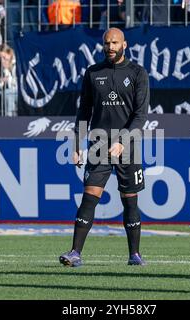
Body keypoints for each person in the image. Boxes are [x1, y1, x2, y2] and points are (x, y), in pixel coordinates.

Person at [59, 27, 150, 267]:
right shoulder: (92, 73)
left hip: (128, 146)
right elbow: (84, 112)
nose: (111, 47)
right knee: (89, 198)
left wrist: (122, 141)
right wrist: (77, 144)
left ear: (125, 45)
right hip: (98, 144)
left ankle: (135, 255)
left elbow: (140, 116)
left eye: (115, 43)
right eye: (107, 43)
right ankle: (75, 253)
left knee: (129, 200)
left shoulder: (138, 73)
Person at [0, 44, 18, 116]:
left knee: (8, 93)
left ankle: (10, 118)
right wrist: (0, 81)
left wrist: (8, 79)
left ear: (9, 55)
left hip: (16, 92)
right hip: (3, 92)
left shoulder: (16, 65)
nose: (2, 61)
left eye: (4, 57)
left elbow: (16, 85)